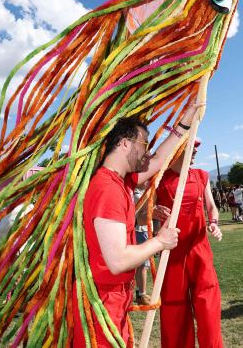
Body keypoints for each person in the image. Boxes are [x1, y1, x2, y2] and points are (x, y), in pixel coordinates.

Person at [72, 103, 202, 347]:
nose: (146, 152)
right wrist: (160, 242)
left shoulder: (121, 182)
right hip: (102, 302)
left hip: (113, 298)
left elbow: (159, 160)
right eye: (144, 145)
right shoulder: (107, 189)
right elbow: (118, 259)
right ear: (124, 144)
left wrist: (184, 123)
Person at [156, 138, 223, 348]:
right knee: (174, 310)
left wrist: (214, 223)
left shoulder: (201, 176)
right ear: (177, 149)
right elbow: (140, 214)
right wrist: (151, 211)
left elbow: (212, 206)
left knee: (208, 306)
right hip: (171, 253)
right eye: (190, 149)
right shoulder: (158, 179)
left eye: (195, 149)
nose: (195, 153)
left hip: (199, 249)